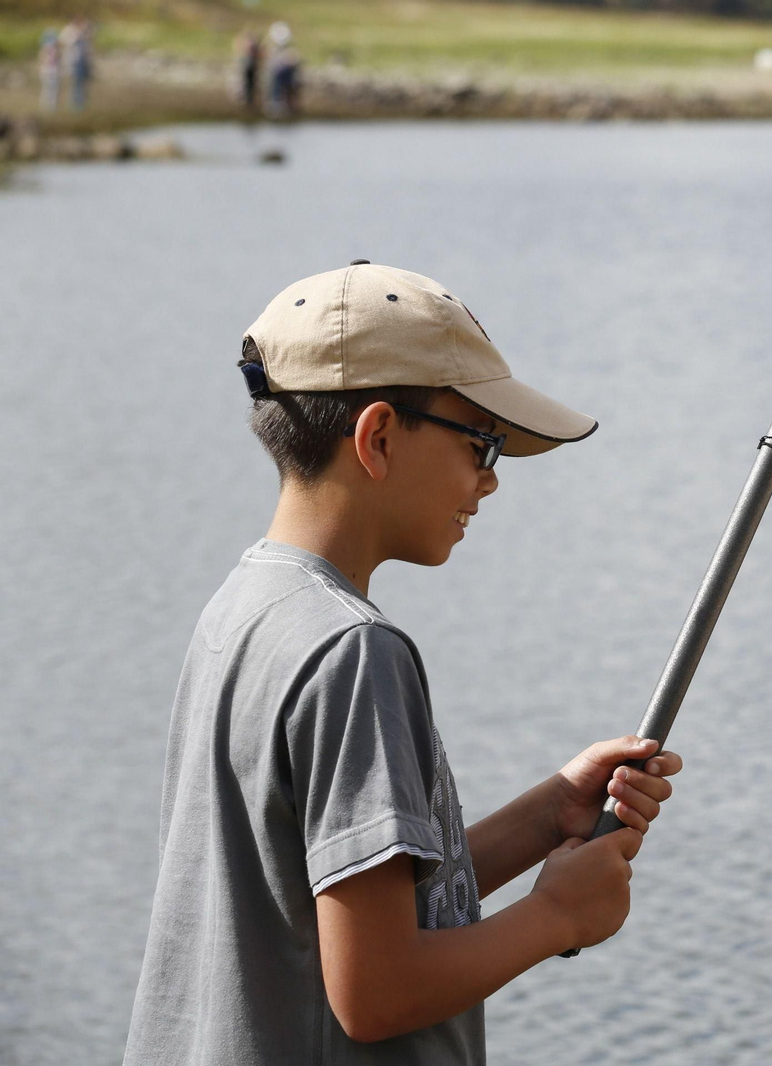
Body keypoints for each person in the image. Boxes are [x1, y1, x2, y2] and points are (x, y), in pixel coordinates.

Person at [124, 261, 681, 1063]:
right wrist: (557, 916)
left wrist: (551, 813)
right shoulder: (355, 653)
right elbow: (377, 994)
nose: (490, 480)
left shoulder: (245, 609)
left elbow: (348, 905)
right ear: (378, 437)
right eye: (481, 443)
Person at [234, 29, 261, 111]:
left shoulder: (251, 45)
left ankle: (249, 100)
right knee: (248, 84)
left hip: (251, 68)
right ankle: (247, 100)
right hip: (249, 68)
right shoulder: (251, 46)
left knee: (250, 84)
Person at [38, 28, 60, 112]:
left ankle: (50, 107)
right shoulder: (47, 49)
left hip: (51, 69)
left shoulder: (49, 48)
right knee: (48, 89)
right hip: (48, 69)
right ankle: (47, 106)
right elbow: (43, 59)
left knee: (51, 89)